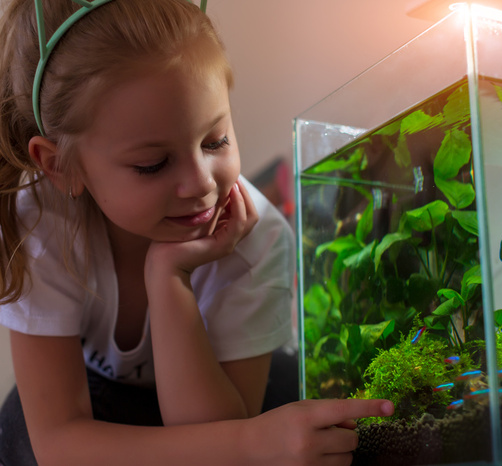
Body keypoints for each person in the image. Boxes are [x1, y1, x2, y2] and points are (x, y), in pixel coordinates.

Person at [0, 0, 393, 465]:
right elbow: (59, 442)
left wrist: (168, 278)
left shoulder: (257, 236)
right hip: (95, 402)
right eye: (153, 164)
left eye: (215, 141)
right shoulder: (40, 223)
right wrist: (251, 442)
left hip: (222, 397)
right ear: (59, 166)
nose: (203, 183)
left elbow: (211, 441)